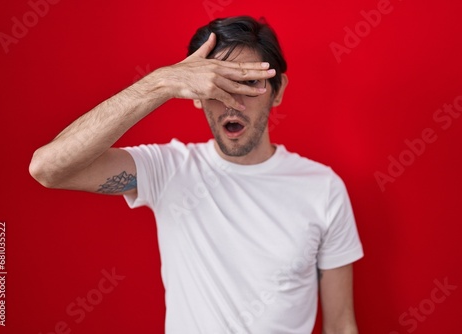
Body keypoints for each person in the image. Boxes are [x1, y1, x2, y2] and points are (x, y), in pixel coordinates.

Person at [29, 15, 363, 334]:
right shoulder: (169, 169)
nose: (233, 103)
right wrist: (161, 82)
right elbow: (48, 168)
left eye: (249, 84)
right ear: (196, 96)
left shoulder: (323, 189)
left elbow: (340, 325)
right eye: (218, 84)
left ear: (278, 91)